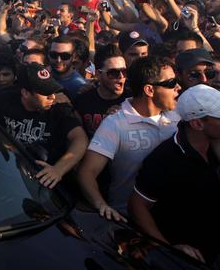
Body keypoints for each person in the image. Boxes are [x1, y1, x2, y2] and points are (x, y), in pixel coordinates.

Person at [77, 56, 180, 220]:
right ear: (149, 90)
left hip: (172, 217)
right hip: (129, 221)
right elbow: (86, 172)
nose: (178, 87)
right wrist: (101, 205)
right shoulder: (115, 123)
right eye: (171, 83)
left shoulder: (180, 114)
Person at [128, 85, 220, 265]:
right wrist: (167, 248)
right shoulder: (165, 159)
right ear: (197, 123)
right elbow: (136, 205)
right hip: (190, 260)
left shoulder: (214, 144)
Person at [0, 63, 88, 188]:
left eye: (52, 90)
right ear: (26, 93)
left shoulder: (59, 108)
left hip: (48, 184)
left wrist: (58, 169)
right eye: (45, 92)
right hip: (10, 173)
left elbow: (80, 138)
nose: (52, 96)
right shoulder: (3, 101)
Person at [73, 45, 128, 137]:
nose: (121, 76)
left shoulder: (133, 100)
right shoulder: (82, 101)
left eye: (124, 71)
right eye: (113, 73)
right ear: (98, 74)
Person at [47, 36, 87, 100]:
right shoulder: (42, 76)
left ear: (74, 57)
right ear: (48, 55)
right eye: (54, 54)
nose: (58, 60)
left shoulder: (79, 86)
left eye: (65, 56)